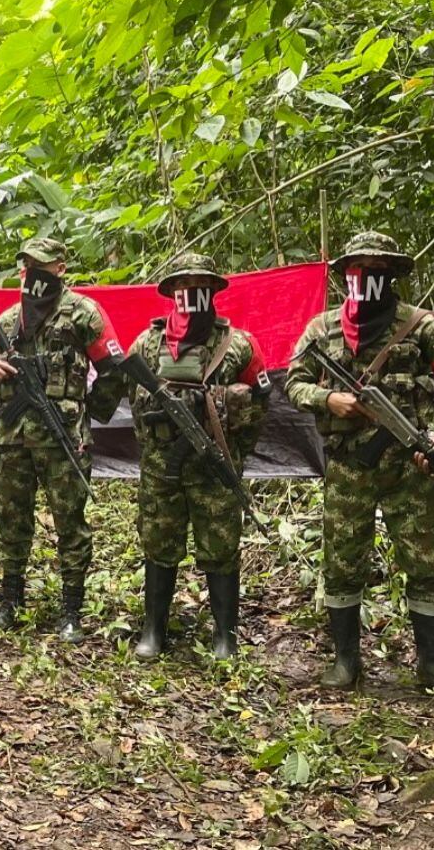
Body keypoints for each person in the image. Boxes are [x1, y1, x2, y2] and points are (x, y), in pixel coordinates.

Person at [286, 231, 434, 695]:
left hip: (410, 466)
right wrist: (329, 398)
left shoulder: (422, 326)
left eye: (379, 270)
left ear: (394, 275)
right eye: (360, 270)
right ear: (346, 277)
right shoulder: (322, 330)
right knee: (342, 561)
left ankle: (431, 665)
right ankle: (346, 662)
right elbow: (292, 383)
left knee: (426, 562)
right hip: (348, 467)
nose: (369, 279)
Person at [0, 238, 124, 641]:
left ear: (60, 266)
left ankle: (72, 609)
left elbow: (113, 369)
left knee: (70, 521)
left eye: (41, 265)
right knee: (11, 519)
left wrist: (84, 411)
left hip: (62, 436)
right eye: (26, 265)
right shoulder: (6, 321)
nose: (32, 274)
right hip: (11, 435)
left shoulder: (83, 313)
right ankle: (11, 601)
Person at [126, 255, 271, 661]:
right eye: (183, 284)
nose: (191, 292)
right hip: (161, 467)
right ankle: (154, 629)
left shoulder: (238, 344)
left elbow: (261, 401)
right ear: (171, 292)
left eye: (200, 283)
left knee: (221, 547)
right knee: (158, 544)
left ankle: (225, 635)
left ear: (213, 290)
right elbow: (130, 399)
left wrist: (230, 441)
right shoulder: (147, 344)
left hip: (213, 467)